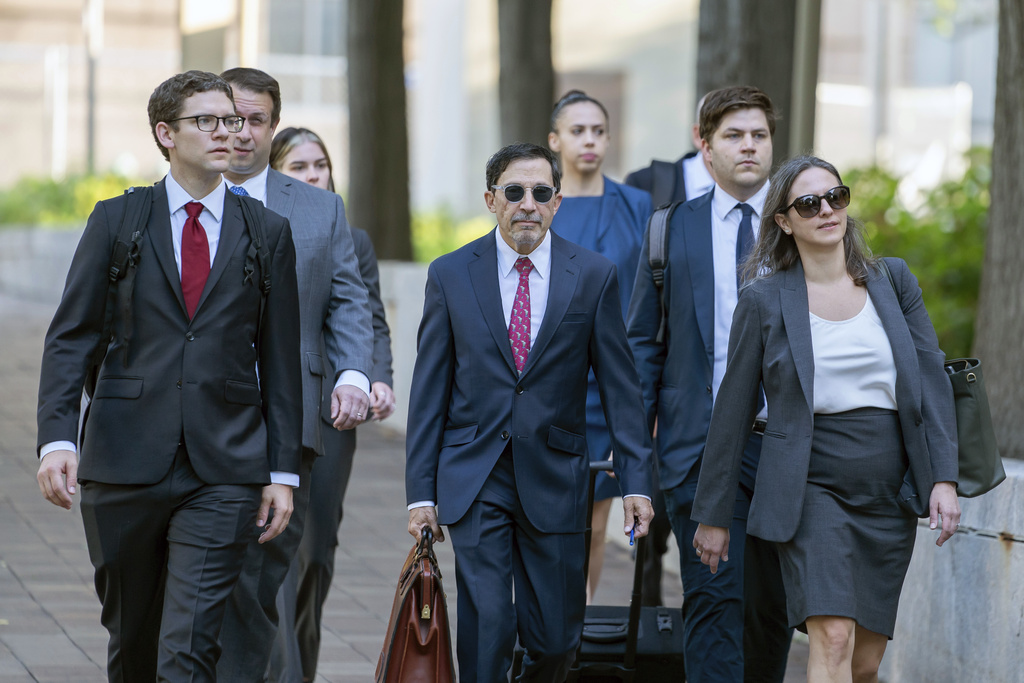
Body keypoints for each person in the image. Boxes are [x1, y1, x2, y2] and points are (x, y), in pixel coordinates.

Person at [35, 70, 303, 682]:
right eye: (205, 121)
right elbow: (70, 336)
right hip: (123, 458)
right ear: (165, 133)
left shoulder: (267, 232)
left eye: (230, 120)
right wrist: (57, 439)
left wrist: (281, 471)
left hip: (226, 467)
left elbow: (281, 360)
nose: (224, 133)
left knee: (188, 647)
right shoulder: (116, 220)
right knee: (133, 638)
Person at [692, 154, 961, 682]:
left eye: (836, 197)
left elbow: (931, 379)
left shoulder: (892, 280)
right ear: (784, 221)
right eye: (809, 203)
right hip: (811, 484)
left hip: (889, 489)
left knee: (864, 662)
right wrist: (714, 513)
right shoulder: (765, 300)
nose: (827, 211)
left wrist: (944, 478)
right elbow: (733, 410)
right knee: (833, 637)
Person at [405, 143, 655, 683]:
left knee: (554, 641)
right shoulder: (450, 274)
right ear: (491, 199)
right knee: (488, 624)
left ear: (557, 202)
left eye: (541, 193)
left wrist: (636, 482)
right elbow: (429, 390)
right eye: (514, 192)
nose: (527, 204)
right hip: (476, 476)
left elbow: (621, 388)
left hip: (557, 476)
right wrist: (420, 493)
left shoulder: (593, 275)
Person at [214, 68, 375, 683]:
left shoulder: (319, 209)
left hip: (294, 416)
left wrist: (355, 373)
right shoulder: (179, 203)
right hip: (202, 417)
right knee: (207, 572)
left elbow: (349, 300)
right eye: (230, 120)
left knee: (275, 570)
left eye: (256, 120)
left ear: (273, 125)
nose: (243, 133)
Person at [626, 85, 791, 682]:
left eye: (759, 135)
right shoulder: (672, 230)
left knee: (771, 612)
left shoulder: (802, 225)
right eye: (733, 135)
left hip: (786, 447)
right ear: (705, 144)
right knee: (714, 600)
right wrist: (636, 463)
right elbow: (643, 351)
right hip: (699, 449)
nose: (749, 146)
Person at [267, 125, 396, 682]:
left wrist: (376, 377)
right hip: (264, 408)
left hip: (331, 413)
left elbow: (369, 320)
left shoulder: (351, 236)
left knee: (315, 554)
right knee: (273, 552)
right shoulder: (258, 227)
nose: (315, 175)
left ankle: (301, 666)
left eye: (320, 164)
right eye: (300, 167)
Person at [546, 89, 652, 603]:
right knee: (545, 514)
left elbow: (653, 296)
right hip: (550, 382)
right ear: (555, 140)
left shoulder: (637, 206)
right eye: (577, 131)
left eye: (597, 131)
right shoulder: (538, 202)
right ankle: (540, 630)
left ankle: (579, 632)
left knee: (595, 516)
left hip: (613, 383)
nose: (589, 141)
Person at [623, 94, 715, 607]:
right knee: (648, 531)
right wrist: (641, 414)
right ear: (700, 133)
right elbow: (644, 321)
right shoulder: (652, 191)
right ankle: (649, 626)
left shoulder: (772, 212)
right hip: (668, 404)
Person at [624, 94, 716, 207]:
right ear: (698, 136)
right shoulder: (646, 184)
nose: (744, 145)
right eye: (733, 135)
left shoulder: (743, 191)